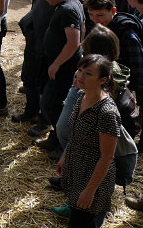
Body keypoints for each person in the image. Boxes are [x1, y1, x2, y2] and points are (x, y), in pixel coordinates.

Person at [56, 54, 120, 227]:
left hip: (93, 179)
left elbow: (107, 157)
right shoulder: (81, 96)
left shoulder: (107, 112)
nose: (80, 75)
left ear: (103, 80)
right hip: (77, 170)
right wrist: (65, 156)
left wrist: (90, 191)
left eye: (88, 73)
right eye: (80, 70)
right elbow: (75, 133)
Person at [85, 0, 143, 150]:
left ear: (113, 11)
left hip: (128, 83)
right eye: (91, 14)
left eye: (100, 15)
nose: (95, 20)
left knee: (142, 110)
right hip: (112, 82)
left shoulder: (126, 32)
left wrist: (138, 89)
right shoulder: (100, 27)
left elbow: (138, 63)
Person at [34, 0, 84, 157]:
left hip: (64, 67)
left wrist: (56, 64)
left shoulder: (68, 9)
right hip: (59, 64)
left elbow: (73, 42)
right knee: (52, 103)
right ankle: (55, 138)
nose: (44, 0)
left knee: (51, 103)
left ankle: (64, 145)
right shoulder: (70, 4)